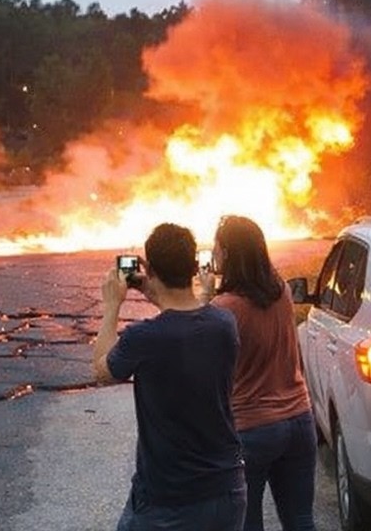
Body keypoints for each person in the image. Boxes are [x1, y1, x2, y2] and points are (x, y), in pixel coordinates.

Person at [93, 222, 247, 531]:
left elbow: (103, 371)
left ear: (151, 270)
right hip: (226, 490)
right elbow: (189, 314)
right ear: (193, 266)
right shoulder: (224, 323)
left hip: (169, 500)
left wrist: (112, 305)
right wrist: (153, 286)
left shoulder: (145, 338)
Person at [201, 215, 316, 531]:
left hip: (252, 428)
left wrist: (206, 297)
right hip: (299, 419)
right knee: (301, 520)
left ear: (229, 253)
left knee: (246, 523)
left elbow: (203, 356)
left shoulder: (224, 308)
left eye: (217, 247)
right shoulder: (281, 290)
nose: (213, 253)